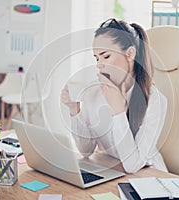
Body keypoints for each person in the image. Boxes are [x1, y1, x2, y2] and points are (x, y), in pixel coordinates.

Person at [61, 18, 167, 173]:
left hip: (147, 176)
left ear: (130, 53)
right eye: (96, 58)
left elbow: (132, 166)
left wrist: (119, 112)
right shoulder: (94, 91)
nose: (99, 64)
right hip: (110, 169)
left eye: (106, 56)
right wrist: (74, 110)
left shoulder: (154, 100)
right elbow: (85, 150)